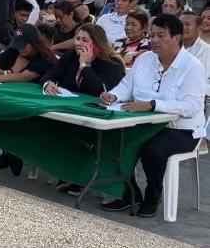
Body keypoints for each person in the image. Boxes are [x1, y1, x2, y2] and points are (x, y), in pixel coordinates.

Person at [100, 14, 206, 217]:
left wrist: (152, 105)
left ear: (176, 38)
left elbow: (191, 106)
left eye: (160, 35)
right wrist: (113, 95)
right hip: (143, 123)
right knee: (113, 140)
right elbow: (127, 86)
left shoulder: (192, 66)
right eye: (151, 35)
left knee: (152, 151)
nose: (154, 40)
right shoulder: (145, 59)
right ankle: (129, 194)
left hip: (181, 129)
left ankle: (153, 195)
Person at [0, 23, 58, 176]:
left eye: (23, 46)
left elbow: (25, 76)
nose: (20, 49)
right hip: (9, 95)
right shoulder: (14, 51)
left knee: (14, 115)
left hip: (35, 101)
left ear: (33, 43)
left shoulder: (45, 57)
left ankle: (12, 151)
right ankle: (10, 151)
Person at [41, 24, 126, 96]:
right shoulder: (71, 55)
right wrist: (47, 84)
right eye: (77, 39)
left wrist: (85, 65)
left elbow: (101, 91)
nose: (78, 43)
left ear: (97, 44)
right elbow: (48, 76)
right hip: (66, 104)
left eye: (84, 40)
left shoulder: (113, 63)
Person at [181, 11, 210, 93]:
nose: (183, 27)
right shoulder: (171, 48)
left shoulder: (207, 51)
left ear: (199, 27)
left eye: (187, 24)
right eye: (180, 24)